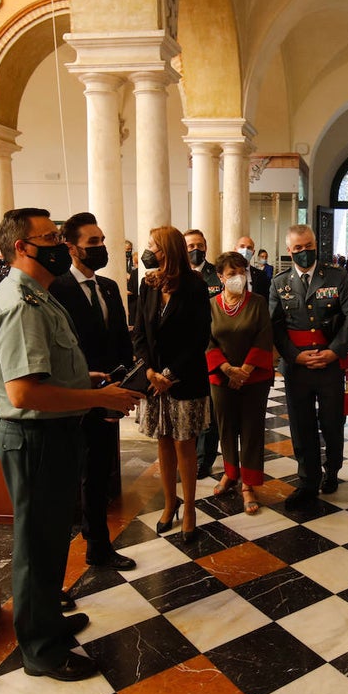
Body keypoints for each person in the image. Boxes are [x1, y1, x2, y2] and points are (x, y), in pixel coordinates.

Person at [0, 207, 142, 681]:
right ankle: (41, 649)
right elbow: (24, 392)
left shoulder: (40, 296)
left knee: (51, 542)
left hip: (53, 434)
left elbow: (44, 370)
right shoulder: (19, 304)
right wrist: (97, 396)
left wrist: (81, 377)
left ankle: (49, 620)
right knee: (35, 546)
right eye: (49, 237)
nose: (60, 244)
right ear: (22, 248)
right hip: (35, 437)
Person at [47, 212, 136, 569]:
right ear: (71, 248)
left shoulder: (110, 287)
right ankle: (58, 566)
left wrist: (127, 384)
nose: (101, 248)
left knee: (100, 474)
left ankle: (99, 545)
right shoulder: (55, 289)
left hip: (106, 395)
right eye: (93, 243)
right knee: (69, 480)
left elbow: (120, 342)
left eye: (102, 241)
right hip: (70, 397)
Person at [270, 224, 348, 508]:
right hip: (297, 368)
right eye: (298, 248)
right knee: (301, 426)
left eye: (308, 246)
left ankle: (332, 470)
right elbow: (274, 327)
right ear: (289, 251)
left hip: (329, 366)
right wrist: (294, 356)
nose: (304, 252)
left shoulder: (335, 277)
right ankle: (307, 481)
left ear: (315, 246)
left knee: (332, 423)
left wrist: (334, 352)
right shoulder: (279, 283)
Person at [135, 226, 212, 541]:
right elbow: (139, 330)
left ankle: (190, 508)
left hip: (184, 378)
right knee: (163, 441)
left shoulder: (194, 285)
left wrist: (170, 373)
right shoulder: (148, 284)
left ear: (167, 249)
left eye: (153, 244)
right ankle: (170, 504)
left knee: (184, 444)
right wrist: (150, 372)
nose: (149, 249)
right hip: (154, 382)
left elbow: (199, 337)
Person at [206, 252, 275, 516]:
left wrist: (244, 370)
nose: (237, 277)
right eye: (231, 273)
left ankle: (248, 484)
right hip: (221, 377)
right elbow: (207, 340)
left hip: (253, 377)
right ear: (220, 277)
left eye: (241, 272)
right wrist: (226, 369)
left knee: (251, 429)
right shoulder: (210, 305)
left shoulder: (257, 302)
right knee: (225, 426)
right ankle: (230, 473)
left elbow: (264, 335)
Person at [185, 228, 222, 480]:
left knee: (210, 410)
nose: (195, 249)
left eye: (199, 245)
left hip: (212, 349)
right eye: (190, 246)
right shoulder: (177, 275)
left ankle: (204, 460)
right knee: (188, 408)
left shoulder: (216, 276)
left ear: (206, 247)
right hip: (185, 354)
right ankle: (187, 456)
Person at [234, 235, 271, 300]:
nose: (245, 250)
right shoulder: (227, 274)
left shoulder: (262, 275)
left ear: (253, 252)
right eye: (242, 246)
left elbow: (265, 300)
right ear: (235, 249)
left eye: (249, 248)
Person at [125, 239, 139, 325]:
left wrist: (129, 276)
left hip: (133, 295)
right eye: (126, 250)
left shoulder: (135, 269)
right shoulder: (118, 261)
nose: (128, 252)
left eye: (130, 249)